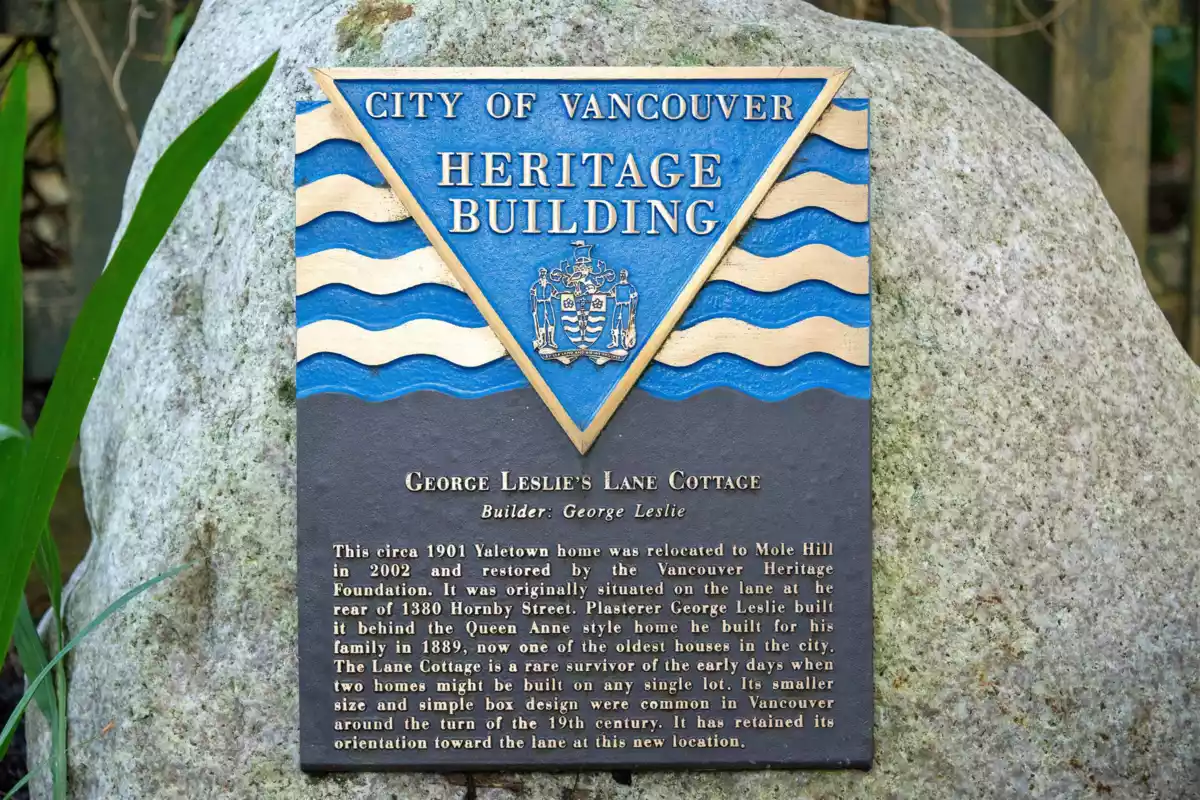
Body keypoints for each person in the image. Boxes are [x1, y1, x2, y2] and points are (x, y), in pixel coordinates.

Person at [609, 269, 638, 349]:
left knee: (625, 325)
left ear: (626, 275)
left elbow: (635, 298)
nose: (622, 276)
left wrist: (633, 308)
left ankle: (624, 343)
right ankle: (614, 343)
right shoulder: (616, 286)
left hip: (626, 307)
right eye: (621, 274)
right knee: (614, 324)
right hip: (618, 306)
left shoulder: (630, 287)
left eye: (623, 274)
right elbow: (610, 294)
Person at [530, 268, 558, 349]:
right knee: (541, 323)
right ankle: (542, 341)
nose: (543, 274)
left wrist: (565, 294)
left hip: (548, 304)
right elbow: (532, 297)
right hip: (540, 305)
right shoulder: (535, 285)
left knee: (551, 322)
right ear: (539, 274)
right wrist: (533, 308)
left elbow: (556, 294)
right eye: (542, 273)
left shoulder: (550, 285)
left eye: (544, 273)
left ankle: (551, 341)